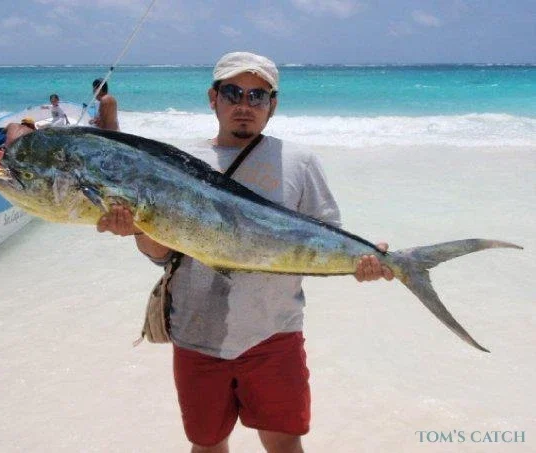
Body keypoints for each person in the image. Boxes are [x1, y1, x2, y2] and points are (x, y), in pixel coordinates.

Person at [97, 52, 393, 453]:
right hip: (197, 335)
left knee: (284, 444)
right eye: (233, 93)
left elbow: (327, 239)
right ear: (213, 98)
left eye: (258, 96)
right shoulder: (176, 164)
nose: (244, 105)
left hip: (275, 334)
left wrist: (365, 260)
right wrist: (136, 229)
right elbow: (162, 255)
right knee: (208, 445)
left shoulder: (299, 162)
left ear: (273, 105)